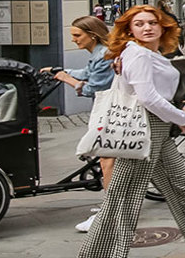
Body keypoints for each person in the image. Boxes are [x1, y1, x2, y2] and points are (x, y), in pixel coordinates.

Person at [81, 5, 185, 258]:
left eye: (152, 23)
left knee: (181, 186)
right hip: (143, 128)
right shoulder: (138, 54)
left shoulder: (147, 53)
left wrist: (177, 110)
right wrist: (181, 117)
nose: (147, 28)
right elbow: (147, 97)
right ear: (129, 30)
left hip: (155, 127)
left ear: (163, 27)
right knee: (123, 195)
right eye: (139, 24)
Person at [40, 16, 126, 234]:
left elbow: (93, 87)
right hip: (112, 111)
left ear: (93, 35)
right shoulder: (98, 53)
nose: (74, 40)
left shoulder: (104, 54)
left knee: (108, 159)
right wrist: (60, 71)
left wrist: (67, 79)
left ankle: (110, 213)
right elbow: (87, 73)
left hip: (113, 112)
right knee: (150, 160)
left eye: (77, 35)